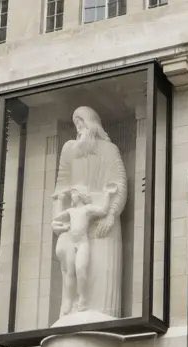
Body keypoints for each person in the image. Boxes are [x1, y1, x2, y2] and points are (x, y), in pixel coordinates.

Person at [52, 106, 127, 318]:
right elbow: (60, 188)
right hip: (73, 217)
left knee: (98, 273)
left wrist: (112, 213)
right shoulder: (69, 149)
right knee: (70, 270)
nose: (79, 128)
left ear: (92, 123)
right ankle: (70, 311)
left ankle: (100, 314)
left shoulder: (109, 150)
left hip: (103, 220)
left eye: (81, 122)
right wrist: (55, 219)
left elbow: (119, 183)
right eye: (76, 124)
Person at [52, 184, 118, 315]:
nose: (73, 196)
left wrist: (107, 194)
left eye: (74, 194)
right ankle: (69, 301)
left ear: (81, 195)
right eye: (72, 194)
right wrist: (60, 199)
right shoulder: (71, 211)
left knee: (80, 269)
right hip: (71, 242)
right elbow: (57, 217)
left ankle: (83, 297)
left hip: (82, 243)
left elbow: (103, 210)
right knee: (70, 272)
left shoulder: (87, 209)